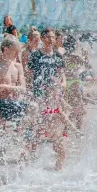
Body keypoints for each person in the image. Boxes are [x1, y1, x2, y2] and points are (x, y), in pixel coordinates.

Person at [26, 28, 67, 169]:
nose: (51, 40)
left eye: (53, 37)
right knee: (38, 126)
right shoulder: (36, 55)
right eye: (48, 37)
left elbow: (61, 75)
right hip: (39, 96)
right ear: (42, 39)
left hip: (53, 96)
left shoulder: (58, 56)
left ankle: (59, 162)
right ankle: (31, 157)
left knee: (55, 127)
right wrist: (30, 93)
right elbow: (29, 76)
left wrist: (62, 85)